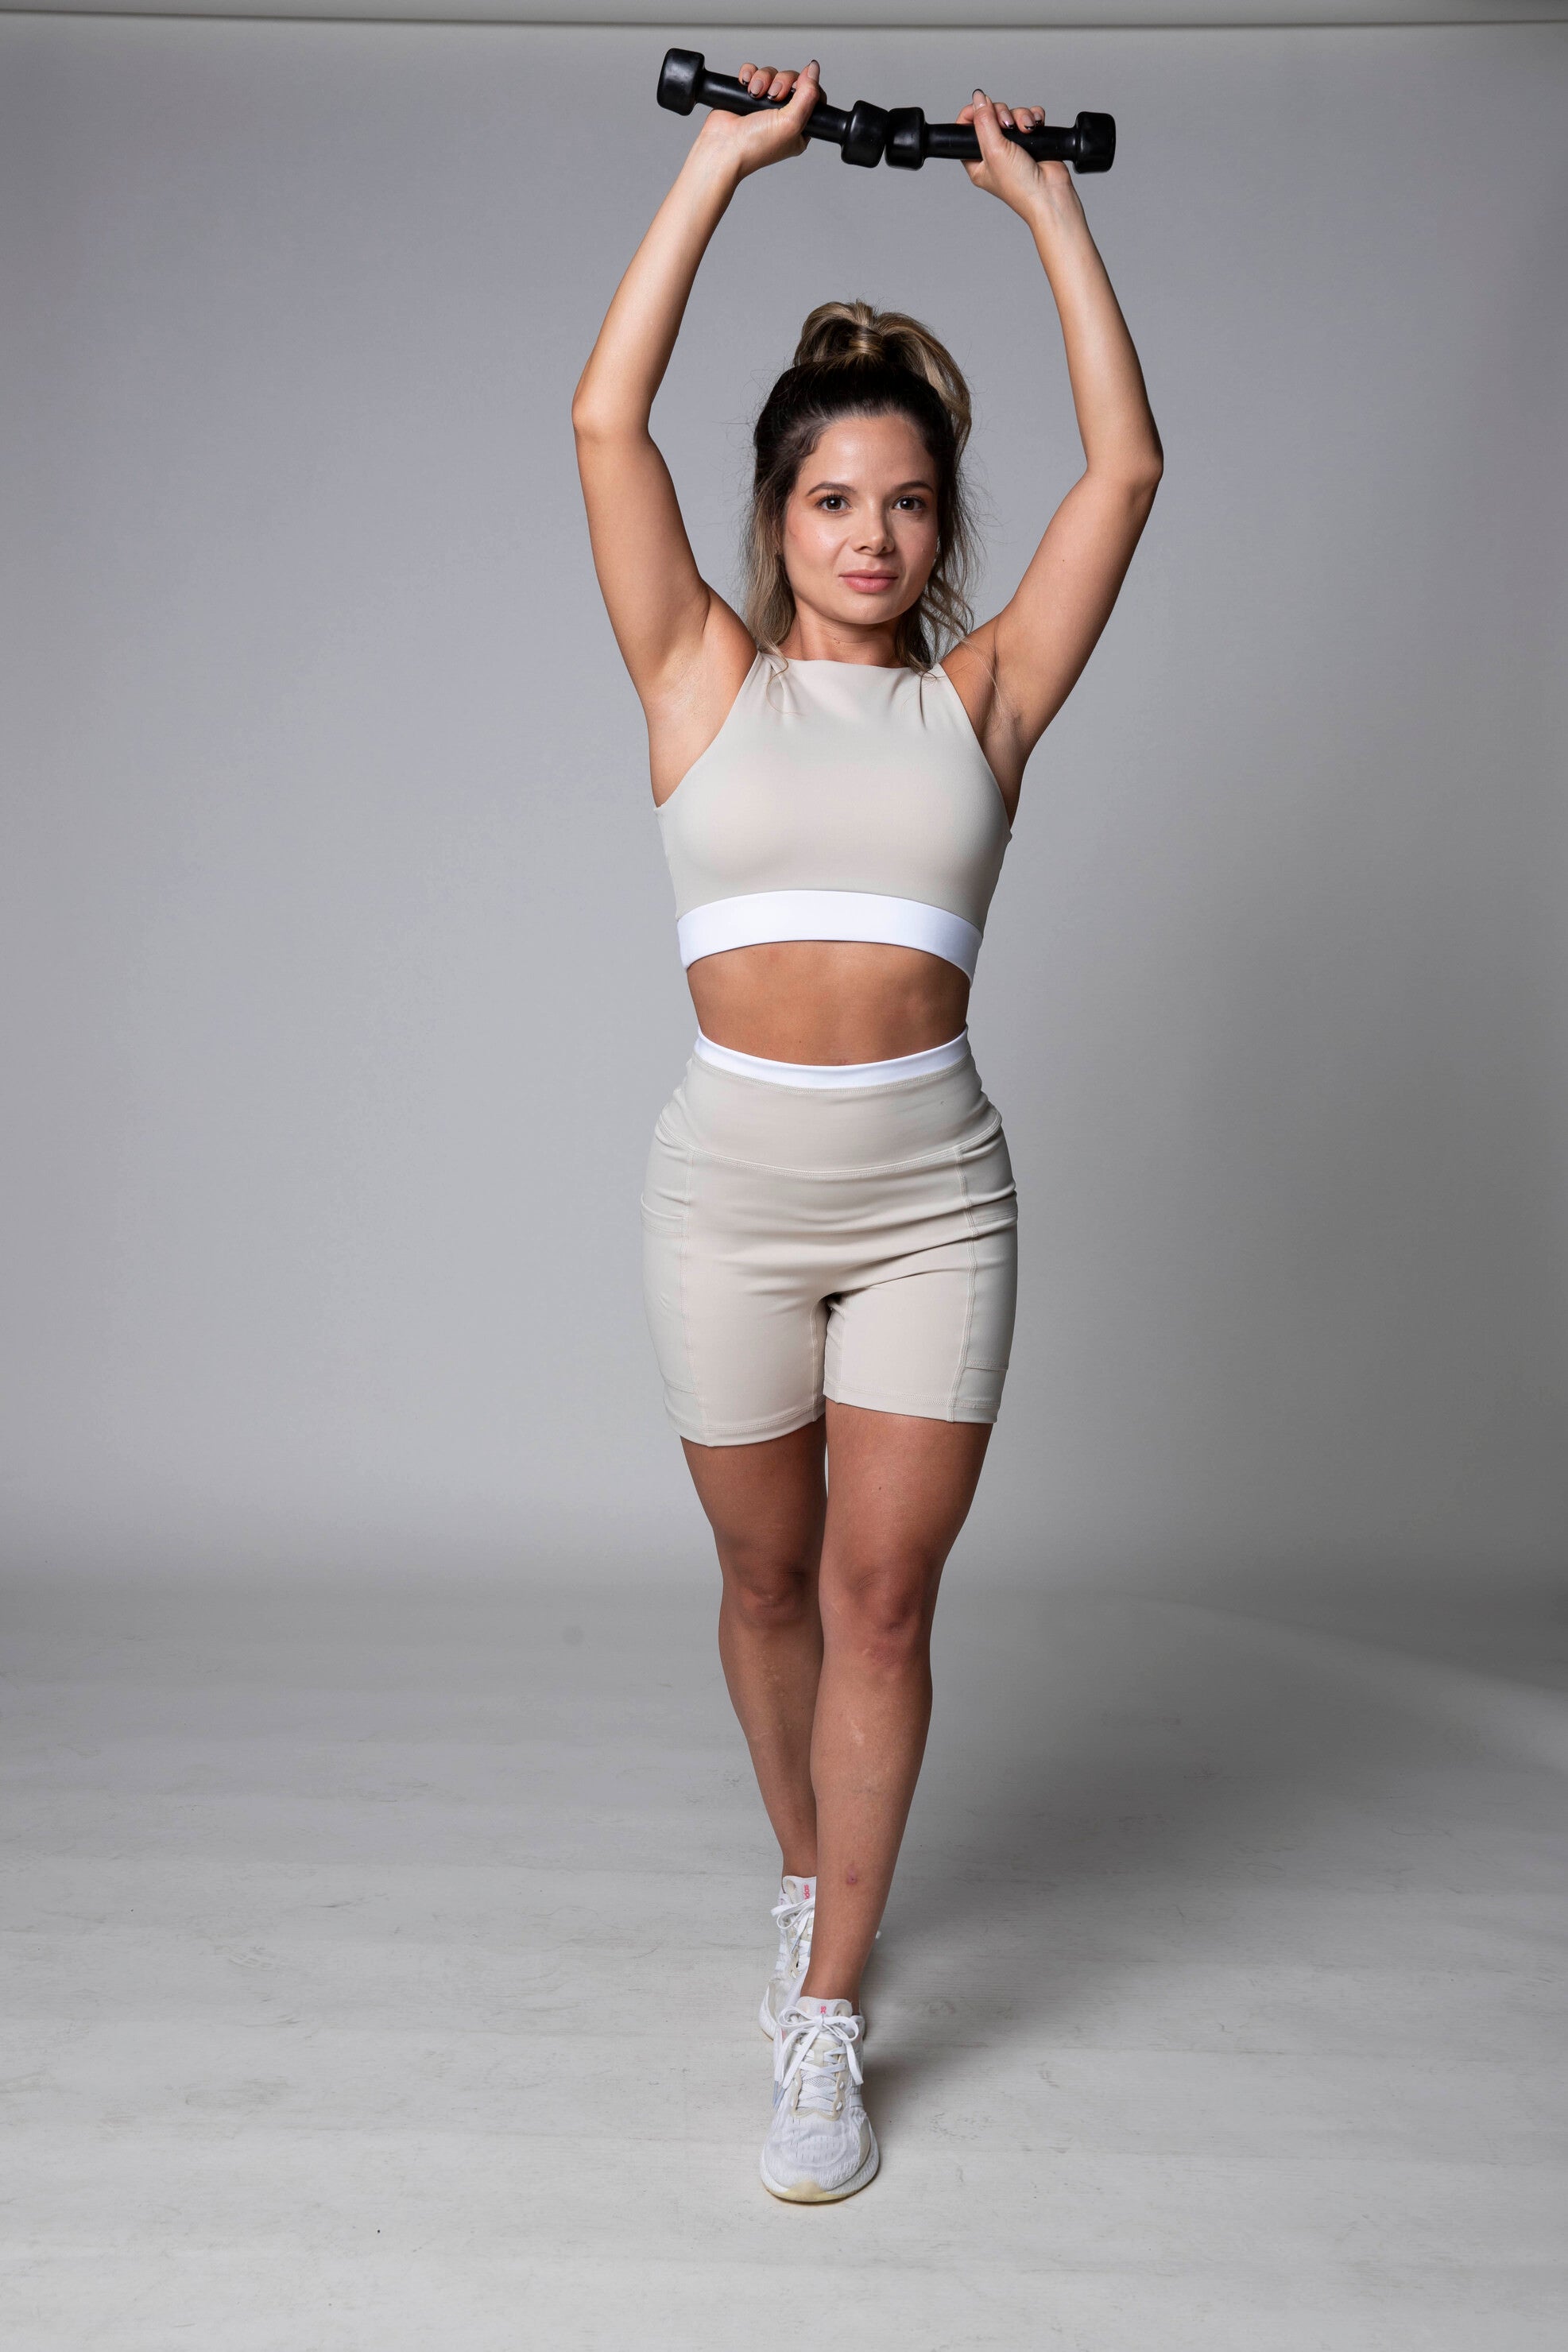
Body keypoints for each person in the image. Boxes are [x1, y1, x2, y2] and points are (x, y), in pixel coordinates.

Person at [571, 57, 1162, 2202]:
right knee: (766, 1580)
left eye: (909, 503)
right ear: (779, 519)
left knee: (882, 1600)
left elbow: (1128, 467)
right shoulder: (695, 678)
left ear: (939, 526)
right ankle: (808, 1870)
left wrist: (1048, 213)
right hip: (727, 1198)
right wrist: (720, 163)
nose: (873, 536)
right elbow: (603, 424)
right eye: (833, 500)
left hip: (932, 1203)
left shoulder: (984, 701)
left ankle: (827, 2015)